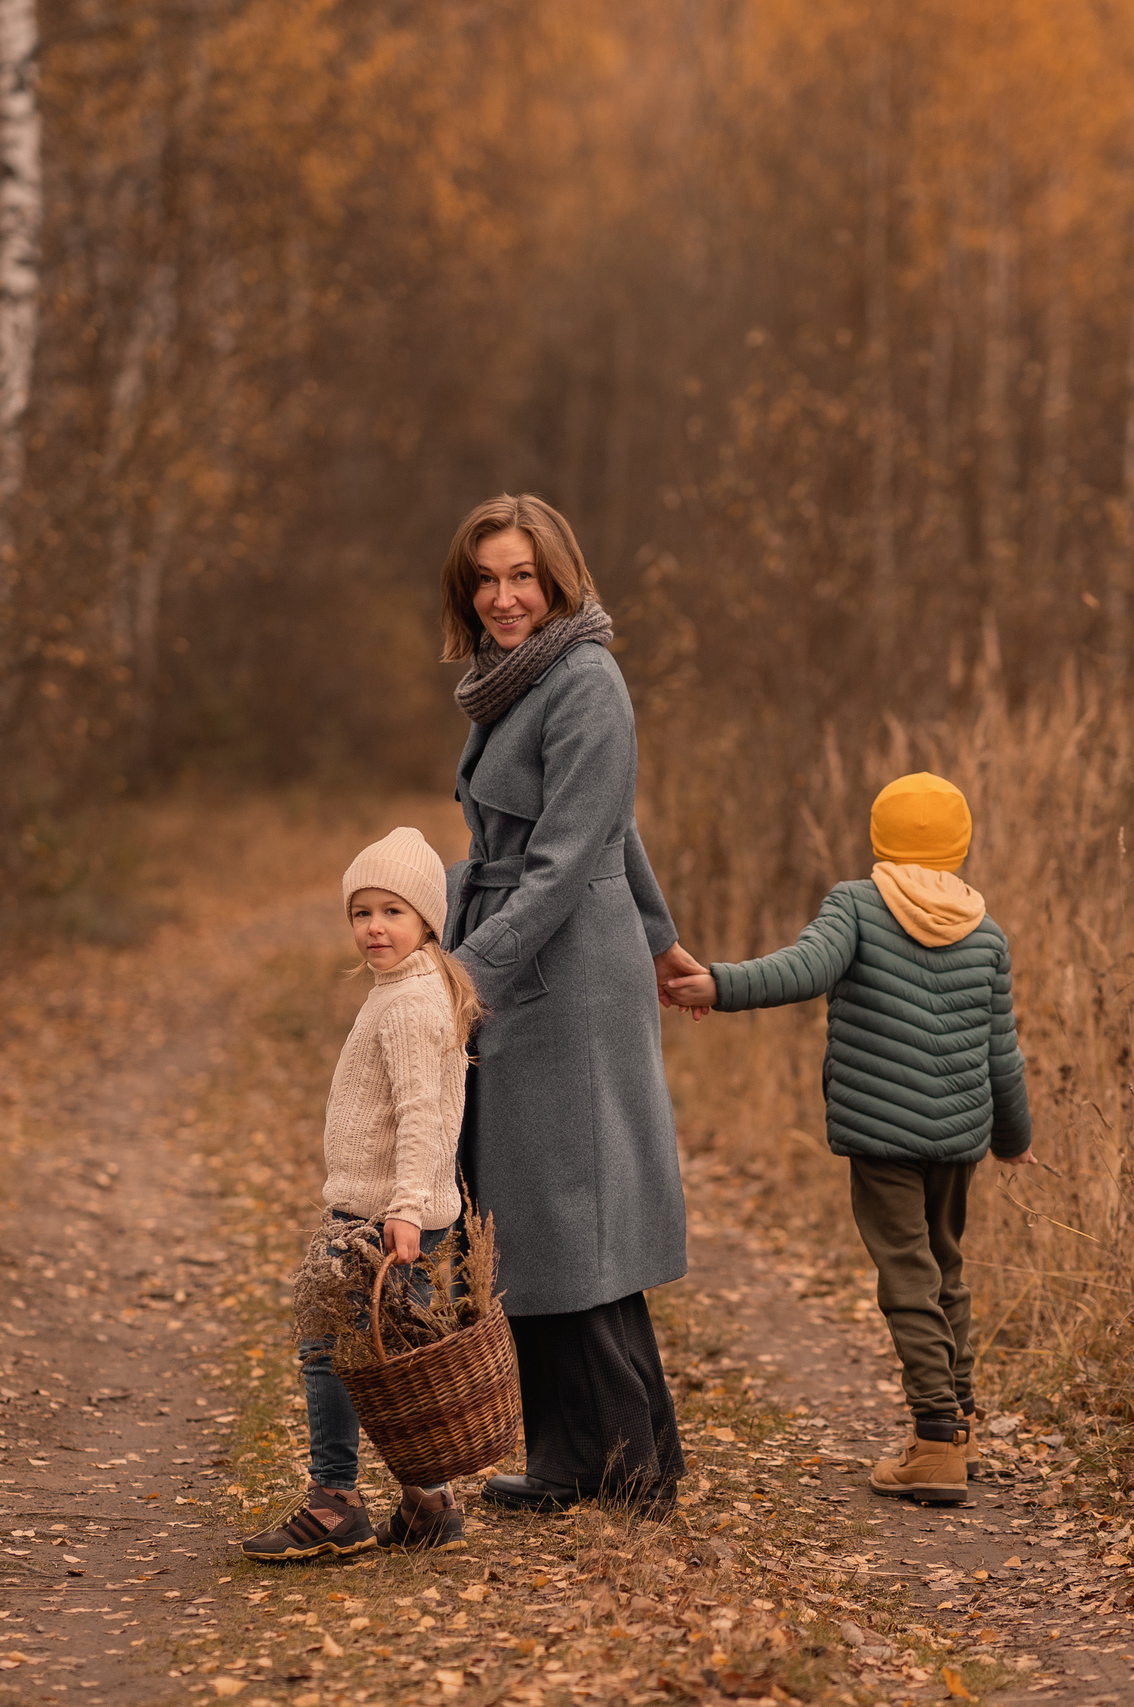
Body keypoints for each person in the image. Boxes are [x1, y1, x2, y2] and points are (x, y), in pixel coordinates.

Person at [436, 493, 707, 1515]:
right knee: (534, 1222)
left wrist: (469, 973)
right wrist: (662, 933)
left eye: (522, 575)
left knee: (575, 1216)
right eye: (486, 577)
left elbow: (566, 855)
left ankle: (635, 1471)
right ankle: (566, 1460)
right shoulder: (515, 680)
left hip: (556, 968)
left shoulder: (585, 678)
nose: (504, 597)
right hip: (535, 955)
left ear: (558, 576)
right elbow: (618, 830)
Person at [666, 772, 1033, 1507]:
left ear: (879, 838)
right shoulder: (985, 931)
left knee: (907, 1274)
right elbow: (1004, 1052)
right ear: (959, 845)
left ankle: (933, 1443)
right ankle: (958, 1421)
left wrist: (720, 984)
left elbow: (804, 969)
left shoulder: (859, 905)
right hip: (959, 1136)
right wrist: (1013, 1135)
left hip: (883, 1132)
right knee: (946, 1269)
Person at [239, 827, 482, 1560]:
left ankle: (335, 1501)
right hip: (374, 1211)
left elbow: (424, 1115)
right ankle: (427, 1500)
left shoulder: (410, 1003)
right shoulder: (401, 990)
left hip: (384, 1218)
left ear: (427, 922)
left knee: (334, 1354)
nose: (374, 926)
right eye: (361, 912)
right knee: (386, 1358)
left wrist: (405, 1208)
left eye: (392, 911)